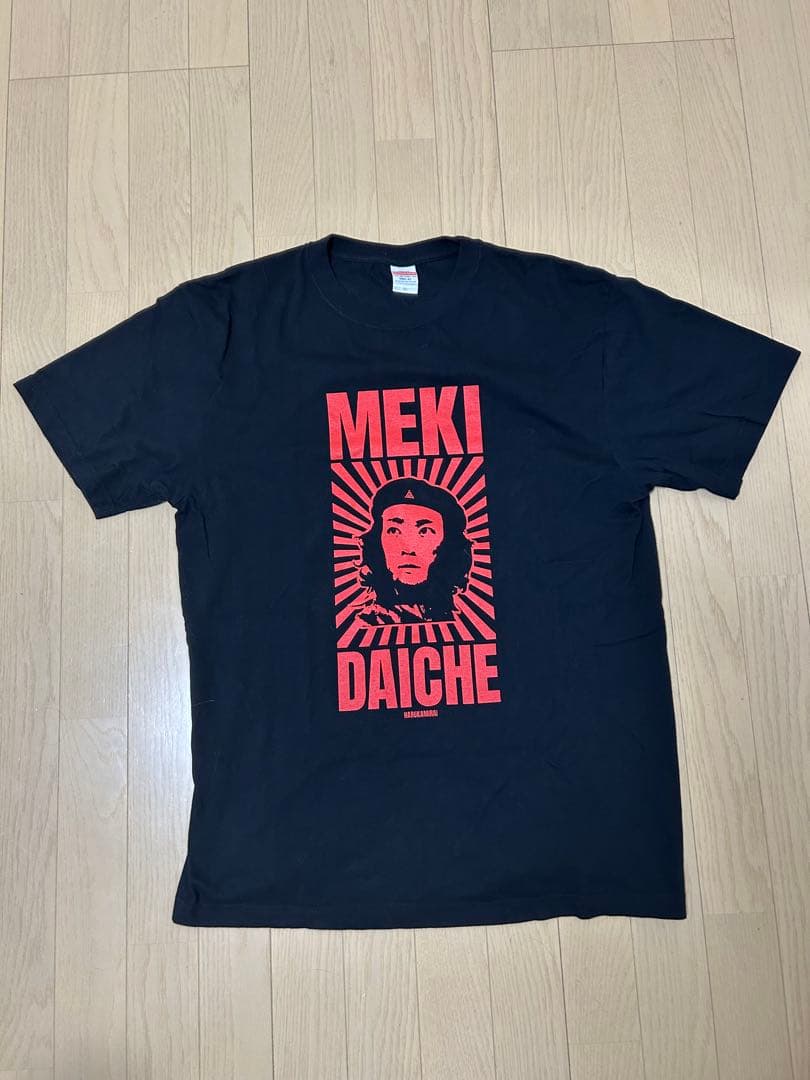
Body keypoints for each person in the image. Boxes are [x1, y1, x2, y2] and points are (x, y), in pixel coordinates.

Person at [350, 476, 472, 624]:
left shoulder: (466, 624)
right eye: (394, 530)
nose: (409, 549)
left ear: (448, 545)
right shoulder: (363, 625)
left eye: (425, 531)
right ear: (377, 542)